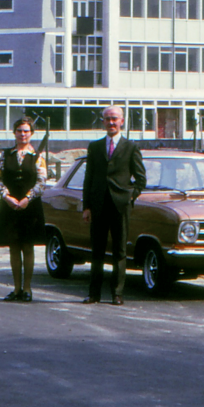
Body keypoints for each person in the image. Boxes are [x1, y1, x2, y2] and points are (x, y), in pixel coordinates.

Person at [82, 105, 146, 305]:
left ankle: (117, 294)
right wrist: (87, 207)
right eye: (107, 119)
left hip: (120, 206)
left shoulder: (131, 147)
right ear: (103, 122)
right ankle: (94, 294)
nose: (111, 122)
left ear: (122, 121)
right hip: (98, 206)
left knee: (120, 251)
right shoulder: (94, 147)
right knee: (97, 251)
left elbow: (141, 179)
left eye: (115, 119)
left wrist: (129, 196)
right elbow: (89, 178)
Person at [0, 116, 47, 302]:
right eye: (19, 131)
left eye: (26, 131)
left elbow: (41, 182)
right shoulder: (5, 155)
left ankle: (27, 289)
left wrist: (27, 199)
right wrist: (7, 197)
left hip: (29, 207)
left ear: (31, 134)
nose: (22, 134)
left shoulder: (38, 157)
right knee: (14, 247)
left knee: (28, 247)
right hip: (9, 207)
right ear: (14, 133)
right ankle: (15, 289)